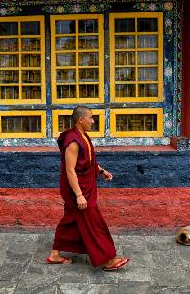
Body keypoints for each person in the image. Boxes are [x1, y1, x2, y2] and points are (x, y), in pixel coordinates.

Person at [46, 106, 130, 271]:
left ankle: (54, 254)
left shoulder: (83, 136)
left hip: (85, 184)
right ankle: (107, 259)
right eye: (90, 118)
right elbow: (70, 170)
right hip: (76, 188)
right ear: (81, 120)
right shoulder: (72, 141)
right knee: (93, 221)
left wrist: (101, 170)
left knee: (71, 219)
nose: (93, 121)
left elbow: (87, 160)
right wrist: (79, 195)